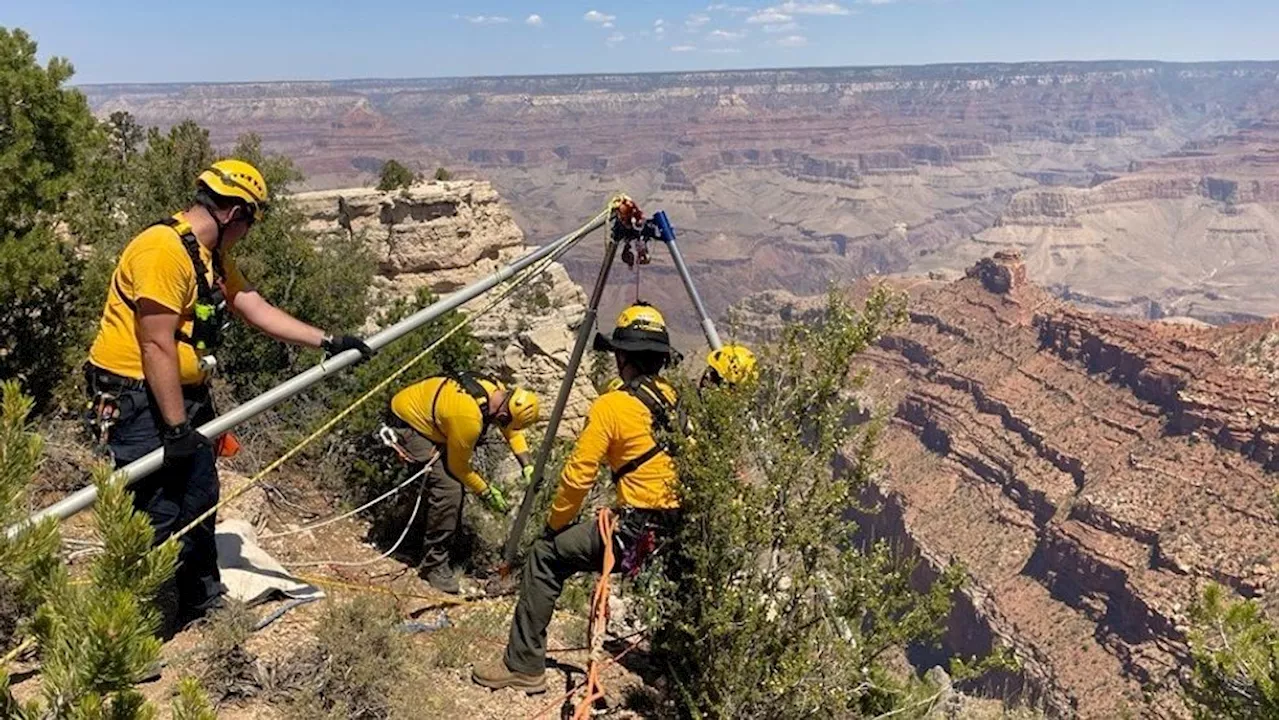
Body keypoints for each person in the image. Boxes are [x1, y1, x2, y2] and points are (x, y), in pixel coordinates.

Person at [85, 159, 373, 631]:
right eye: (249, 224)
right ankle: (132, 628)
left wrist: (326, 340)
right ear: (234, 213)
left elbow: (249, 304)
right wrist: (176, 428)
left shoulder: (208, 253)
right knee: (155, 509)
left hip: (182, 393)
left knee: (199, 496)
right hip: (138, 397)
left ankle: (201, 600)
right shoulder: (163, 250)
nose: (247, 233)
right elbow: (154, 342)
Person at [472, 302, 684, 694]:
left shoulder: (612, 405)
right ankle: (679, 669)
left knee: (545, 557)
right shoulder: (677, 400)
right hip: (679, 529)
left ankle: (523, 665)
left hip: (636, 532)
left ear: (623, 357)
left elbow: (577, 476)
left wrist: (554, 526)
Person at [386, 373, 539, 593]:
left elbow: (511, 431)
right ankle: (434, 565)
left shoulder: (496, 391)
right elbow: (459, 468)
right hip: (409, 424)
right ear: (504, 412)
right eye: (504, 421)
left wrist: (527, 464)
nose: (503, 426)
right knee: (449, 489)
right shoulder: (469, 418)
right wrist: (486, 492)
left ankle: (428, 537)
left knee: (448, 482)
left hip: (429, 416)